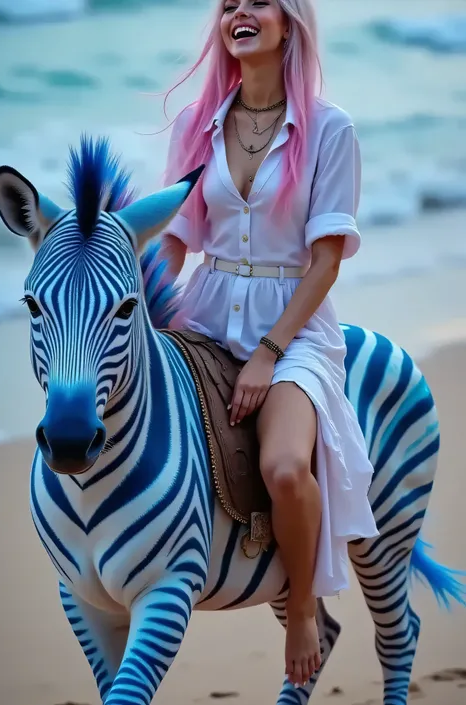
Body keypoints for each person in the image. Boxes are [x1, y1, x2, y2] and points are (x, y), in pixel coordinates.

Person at [158, 0, 379, 688]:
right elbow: (173, 240)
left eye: (257, 2)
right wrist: (141, 317)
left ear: (289, 23)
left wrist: (269, 352)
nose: (239, 13)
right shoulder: (197, 124)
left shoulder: (330, 129)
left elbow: (326, 262)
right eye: (229, 5)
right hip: (206, 306)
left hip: (296, 326)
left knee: (285, 467)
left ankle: (304, 610)